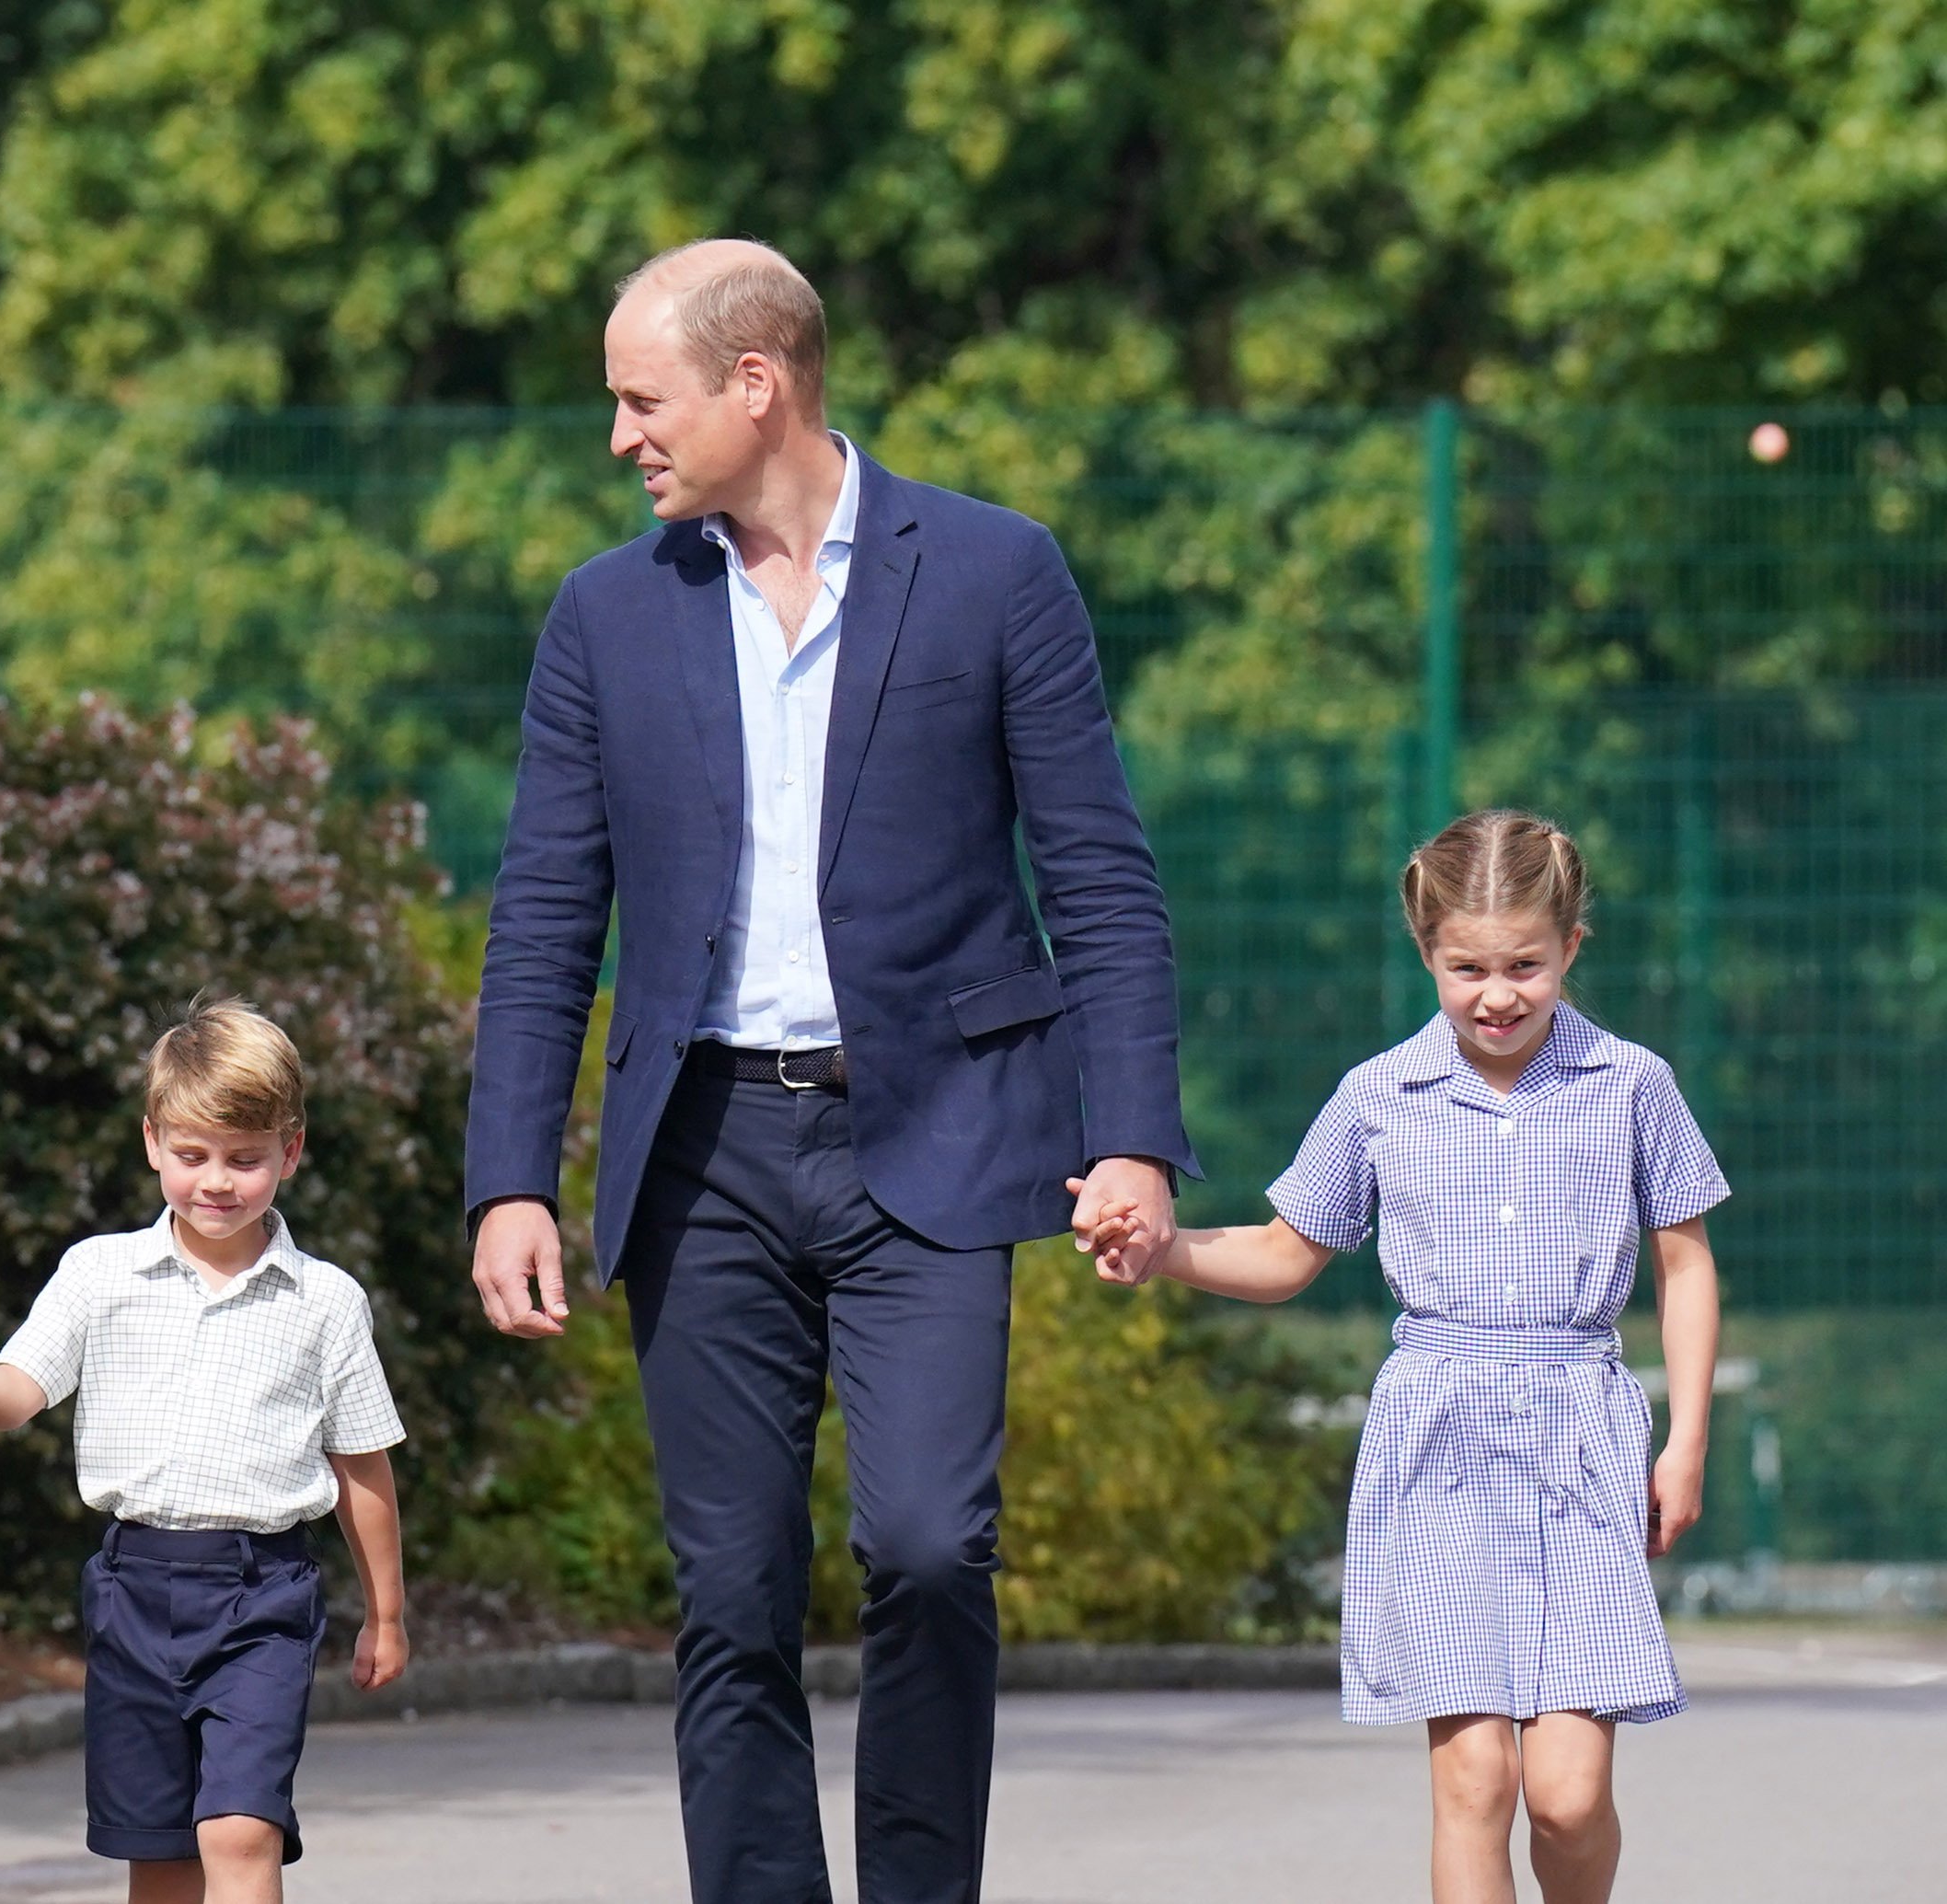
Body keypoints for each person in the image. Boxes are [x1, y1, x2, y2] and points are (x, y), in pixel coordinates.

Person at [462, 238, 1195, 1904]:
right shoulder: (600, 614)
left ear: (753, 384)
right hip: (700, 1149)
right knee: (727, 1593)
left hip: (933, 1134)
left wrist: (1130, 1132)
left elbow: (1095, 873)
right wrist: (508, 1171)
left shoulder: (996, 572)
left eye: (637, 400)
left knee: (930, 1550)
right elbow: (542, 914)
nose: (616, 437)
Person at [1077, 810, 1723, 1904]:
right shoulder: (1378, 1096)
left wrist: (1686, 1438)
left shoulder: (1632, 1083)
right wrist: (1163, 1248)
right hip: (1438, 1444)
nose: (1498, 992)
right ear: (1426, 953)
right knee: (1475, 1777)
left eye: (1526, 962)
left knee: (1566, 1793)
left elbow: (1686, 1262)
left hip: (1580, 1434)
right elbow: (1287, 1252)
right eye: (1467, 966)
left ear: (1572, 945)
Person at [0, 997, 407, 1904]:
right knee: (161, 1853)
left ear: (290, 1150)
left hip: (262, 1594)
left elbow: (362, 1462)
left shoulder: (325, 1300)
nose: (217, 1180)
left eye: (245, 1158)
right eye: (193, 1153)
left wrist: (387, 1612)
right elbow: (11, 1396)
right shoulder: (99, 1274)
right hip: (134, 1590)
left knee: (240, 1829)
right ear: (153, 1141)